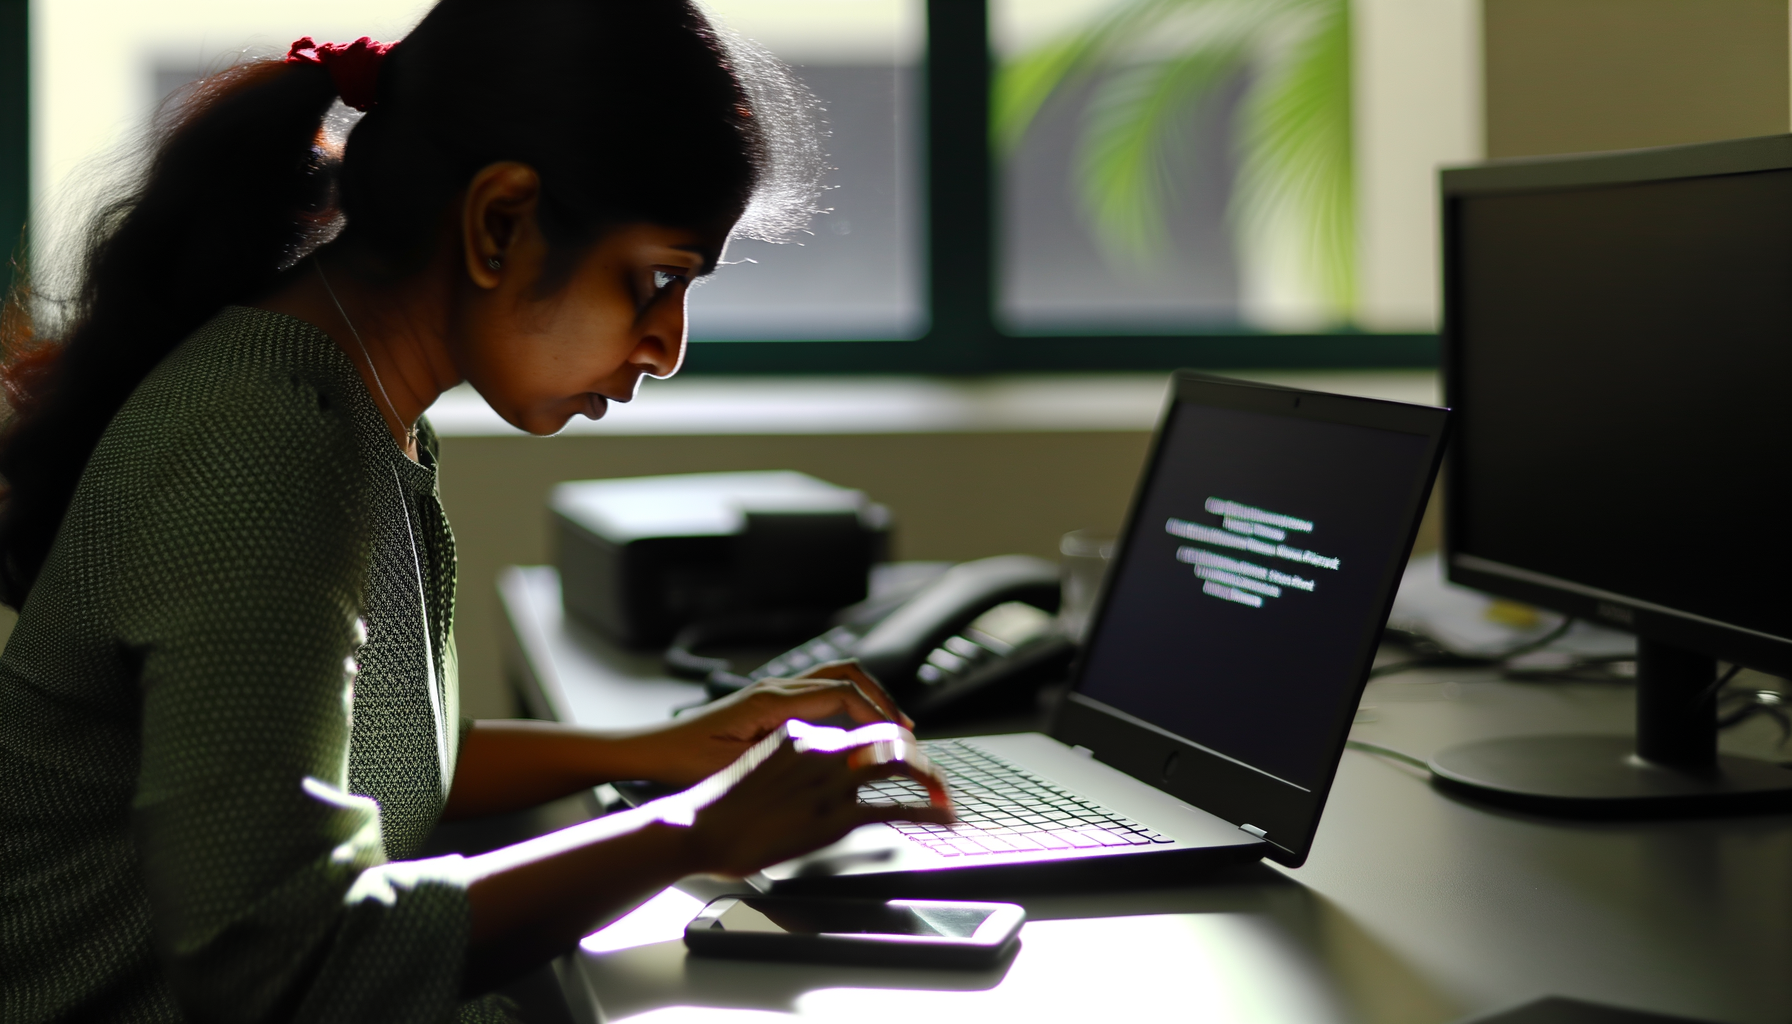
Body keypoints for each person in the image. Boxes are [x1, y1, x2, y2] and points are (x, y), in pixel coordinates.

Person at [0, 3, 952, 1021]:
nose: (667, 346)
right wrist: (694, 830)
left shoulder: (349, 402)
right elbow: (270, 963)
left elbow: (360, 761)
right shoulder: (266, 445)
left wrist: (664, 749)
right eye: (658, 279)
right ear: (499, 222)